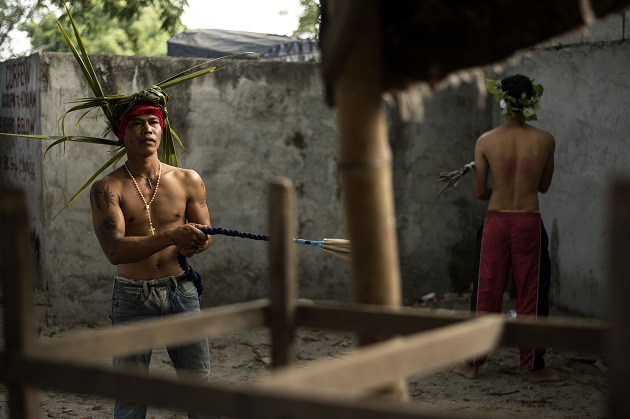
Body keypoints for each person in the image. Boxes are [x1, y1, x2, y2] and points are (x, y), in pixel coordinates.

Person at [90, 102, 213, 418]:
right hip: (132, 295)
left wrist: (195, 241)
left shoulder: (188, 179)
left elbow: (205, 236)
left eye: (153, 123)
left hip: (181, 290)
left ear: (162, 130)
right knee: (131, 395)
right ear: (123, 134)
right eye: (137, 124)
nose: (147, 129)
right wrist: (173, 236)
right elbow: (113, 250)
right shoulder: (108, 188)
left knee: (199, 388)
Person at [452, 74, 563, 383]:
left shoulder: (486, 141)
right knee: (532, 292)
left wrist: (499, 190)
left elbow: (478, 192)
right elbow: (543, 186)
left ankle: (472, 364)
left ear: (502, 102)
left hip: (496, 222)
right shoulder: (545, 140)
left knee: (487, 289)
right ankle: (533, 366)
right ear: (531, 102)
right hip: (528, 220)